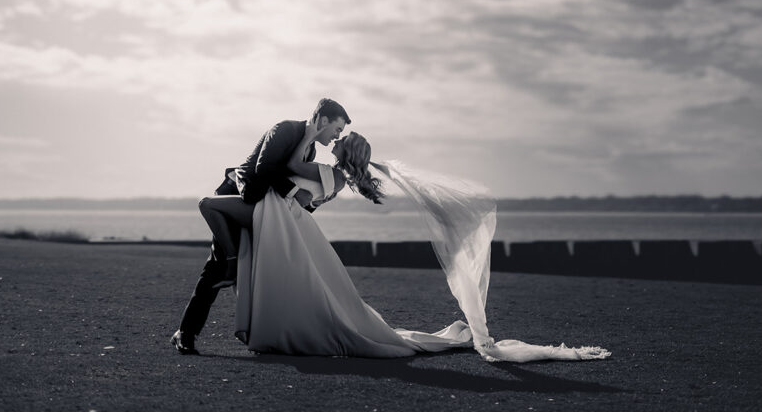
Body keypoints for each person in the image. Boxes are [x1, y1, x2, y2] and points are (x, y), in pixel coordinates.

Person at [232, 122, 611, 362]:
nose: (336, 139)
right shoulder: (335, 176)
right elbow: (302, 191)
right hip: (290, 224)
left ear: (346, 153)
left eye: (340, 139)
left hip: (290, 225)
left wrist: (309, 133)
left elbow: (292, 167)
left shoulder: (331, 174)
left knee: (319, 297)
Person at [170, 98, 350, 355]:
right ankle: (186, 334)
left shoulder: (309, 150)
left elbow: (296, 187)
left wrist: (311, 202)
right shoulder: (284, 130)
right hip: (237, 197)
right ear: (323, 120)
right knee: (217, 267)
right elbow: (263, 169)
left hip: (263, 209)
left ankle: (260, 332)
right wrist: (295, 192)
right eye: (337, 129)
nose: (336, 136)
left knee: (255, 270)